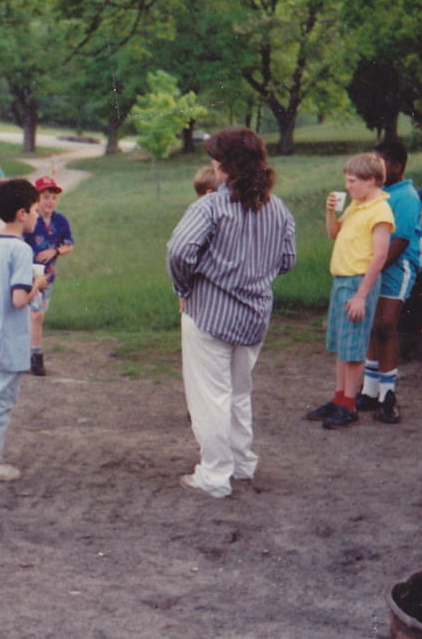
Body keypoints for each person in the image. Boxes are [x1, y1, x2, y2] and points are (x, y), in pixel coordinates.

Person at [167, 127, 297, 498]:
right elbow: (287, 261)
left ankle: (214, 475)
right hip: (254, 315)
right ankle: (241, 463)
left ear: (224, 165)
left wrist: (185, 287)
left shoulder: (209, 207)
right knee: (239, 392)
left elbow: (179, 252)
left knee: (211, 397)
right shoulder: (278, 208)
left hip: (209, 314)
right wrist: (254, 273)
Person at [0, 179, 49, 481]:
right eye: (35, 210)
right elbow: (18, 299)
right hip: (9, 339)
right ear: (21, 214)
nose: (38, 216)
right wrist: (36, 285)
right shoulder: (21, 251)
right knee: (0, 402)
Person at [306, 153, 394, 430]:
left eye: (353, 181)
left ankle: (349, 406)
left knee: (354, 349)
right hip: (342, 280)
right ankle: (339, 398)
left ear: (371, 180)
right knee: (343, 346)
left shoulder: (381, 211)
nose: (348, 187)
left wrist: (362, 295)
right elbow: (334, 234)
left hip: (358, 283)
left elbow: (380, 256)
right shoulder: (357, 204)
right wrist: (330, 211)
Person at [355, 139, 422, 424]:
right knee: (372, 324)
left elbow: (401, 240)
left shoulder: (406, 195)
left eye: (380, 163)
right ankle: (370, 392)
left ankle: (388, 395)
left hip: (398, 265)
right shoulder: (378, 192)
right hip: (376, 264)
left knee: (385, 325)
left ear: (396, 166)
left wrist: (377, 269)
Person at [23, 176, 74, 376]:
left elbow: (69, 246)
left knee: (36, 314)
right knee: (37, 314)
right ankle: (36, 356)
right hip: (29, 274)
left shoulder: (60, 221)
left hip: (49, 276)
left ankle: (29, 352)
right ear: (37, 199)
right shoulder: (29, 219)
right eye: (46, 197)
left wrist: (55, 251)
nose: (50, 202)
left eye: (53, 198)